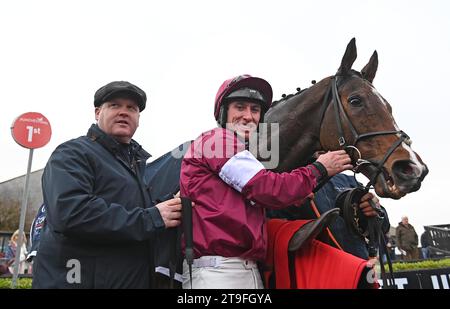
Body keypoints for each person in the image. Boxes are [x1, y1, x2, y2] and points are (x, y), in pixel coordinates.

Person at [179, 74, 355, 289]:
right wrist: (319, 169)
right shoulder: (217, 140)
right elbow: (266, 188)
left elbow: (248, 201)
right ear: (223, 112)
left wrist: (296, 197)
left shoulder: (236, 150)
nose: (248, 116)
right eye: (240, 107)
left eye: (255, 110)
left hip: (242, 269)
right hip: (219, 273)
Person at [32, 81, 183, 288]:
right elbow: (71, 213)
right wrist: (154, 217)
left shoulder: (135, 168)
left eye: (132, 108)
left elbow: (133, 215)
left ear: (138, 118)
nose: (124, 112)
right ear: (97, 112)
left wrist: (169, 207)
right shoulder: (73, 153)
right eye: (114, 105)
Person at [268, 171, 390, 260]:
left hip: (358, 268)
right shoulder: (287, 180)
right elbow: (271, 226)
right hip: (315, 271)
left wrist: (376, 211)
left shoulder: (349, 180)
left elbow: (384, 227)